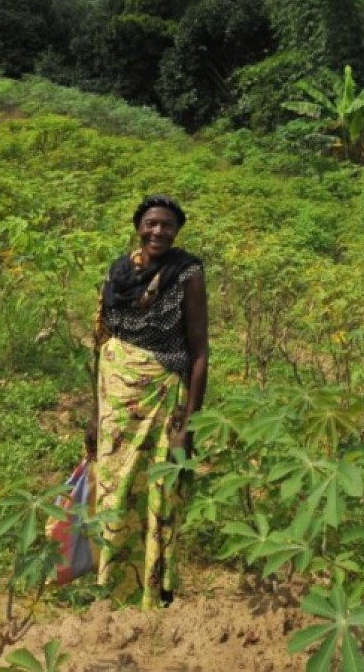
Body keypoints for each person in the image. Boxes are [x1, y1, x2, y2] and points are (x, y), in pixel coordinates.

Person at [89, 194, 209, 608]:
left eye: (167, 225)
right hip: (115, 398)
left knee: (159, 491)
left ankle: (156, 586)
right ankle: (109, 584)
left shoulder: (187, 272)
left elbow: (200, 351)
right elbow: (102, 342)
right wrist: (94, 414)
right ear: (138, 225)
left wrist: (187, 425)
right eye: (151, 223)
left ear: (177, 231)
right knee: (114, 487)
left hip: (162, 397)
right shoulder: (119, 271)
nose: (158, 231)